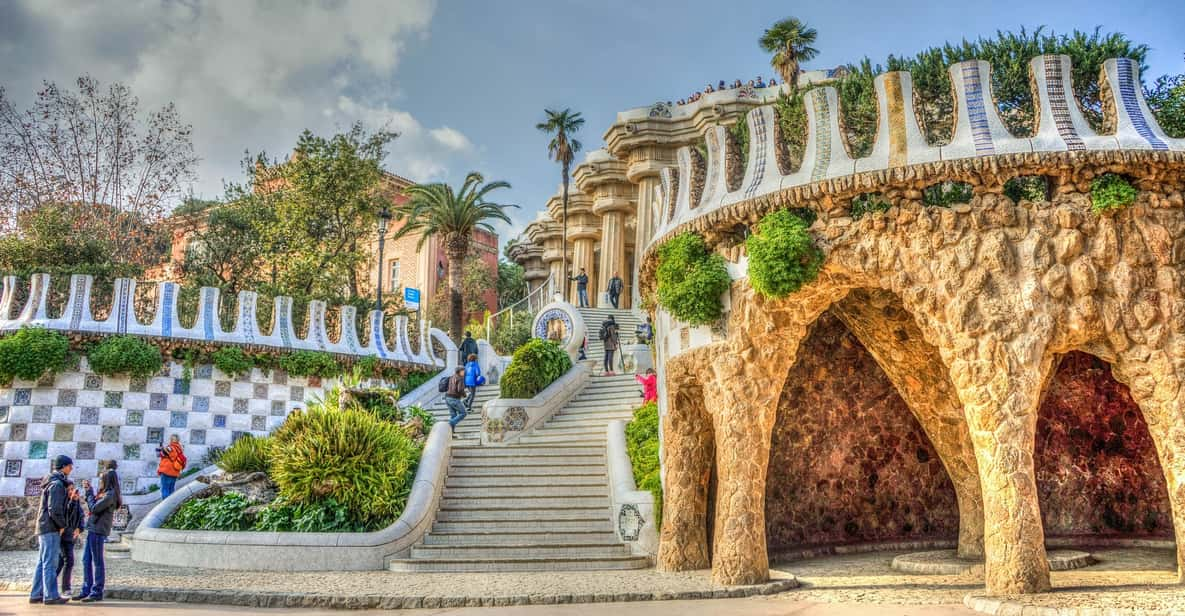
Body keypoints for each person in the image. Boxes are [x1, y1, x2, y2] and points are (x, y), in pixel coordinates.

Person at [30, 455, 72, 605]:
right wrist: (61, 525)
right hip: (50, 527)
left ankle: (36, 593)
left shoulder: (52, 482)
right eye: (69, 466)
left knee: (42, 561)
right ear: (64, 466)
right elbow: (54, 509)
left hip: (44, 526)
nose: (71, 469)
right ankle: (51, 595)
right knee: (50, 562)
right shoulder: (57, 484)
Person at [77, 466, 121, 603]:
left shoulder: (110, 495)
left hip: (98, 530)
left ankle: (96, 591)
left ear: (107, 480)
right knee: (86, 560)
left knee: (97, 561)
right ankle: (87, 589)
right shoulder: (105, 493)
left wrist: (89, 492)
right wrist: (90, 492)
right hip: (93, 528)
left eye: (102, 479)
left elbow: (94, 508)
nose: (100, 481)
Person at [56, 480, 83, 598]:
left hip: (71, 536)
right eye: (70, 489)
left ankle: (47, 585)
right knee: (69, 561)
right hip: (64, 536)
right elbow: (67, 515)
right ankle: (66, 589)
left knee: (61, 562)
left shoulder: (76, 503)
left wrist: (80, 529)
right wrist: (72, 501)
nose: (72, 492)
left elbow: (81, 517)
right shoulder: (64, 502)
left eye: (73, 489)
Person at [156, 434, 185, 500]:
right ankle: (171, 504)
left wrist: (159, 449)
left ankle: (165, 506)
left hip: (166, 471)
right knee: (171, 489)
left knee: (165, 489)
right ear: (178, 440)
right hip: (175, 472)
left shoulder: (170, 448)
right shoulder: (180, 448)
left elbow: (159, 454)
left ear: (171, 440)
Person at [444, 366, 468, 430]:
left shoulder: (452, 377)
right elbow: (460, 389)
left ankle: (451, 433)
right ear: (459, 371)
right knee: (463, 413)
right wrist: (465, 395)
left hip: (447, 398)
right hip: (454, 399)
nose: (464, 372)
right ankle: (450, 423)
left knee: (453, 416)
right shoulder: (460, 378)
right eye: (463, 371)